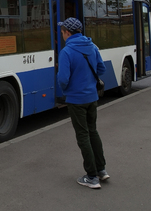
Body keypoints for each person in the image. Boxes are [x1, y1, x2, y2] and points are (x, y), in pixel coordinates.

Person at [57, 17, 109, 189]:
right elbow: (101, 69)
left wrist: (67, 89)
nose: (62, 34)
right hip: (92, 97)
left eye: (62, 31)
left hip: (76, 99)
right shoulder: (92, 46)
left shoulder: (66, 52)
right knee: (93, 131)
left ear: (67, 32)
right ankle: (101, 170)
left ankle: (91, 176)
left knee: (83, 135)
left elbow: (63, 79)